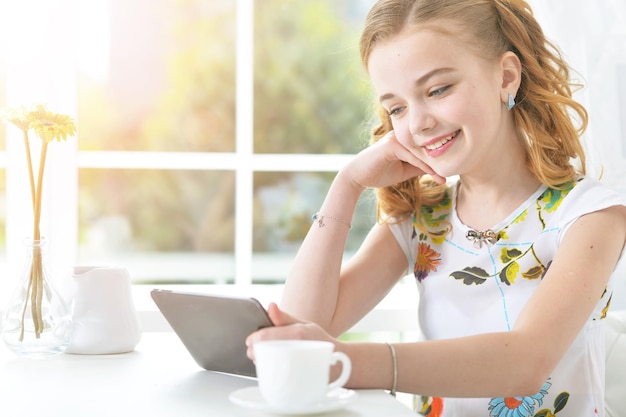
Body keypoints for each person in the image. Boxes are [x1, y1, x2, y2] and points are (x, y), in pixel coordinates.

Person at [246, 0, 626, 416]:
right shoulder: (424, 219)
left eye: (438, 90)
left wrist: (340, 362)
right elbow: (304, 325)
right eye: (397, 108)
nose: (418, 123)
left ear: (506, 76)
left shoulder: (589, 215)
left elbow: (525, 362)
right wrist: (347, 184)